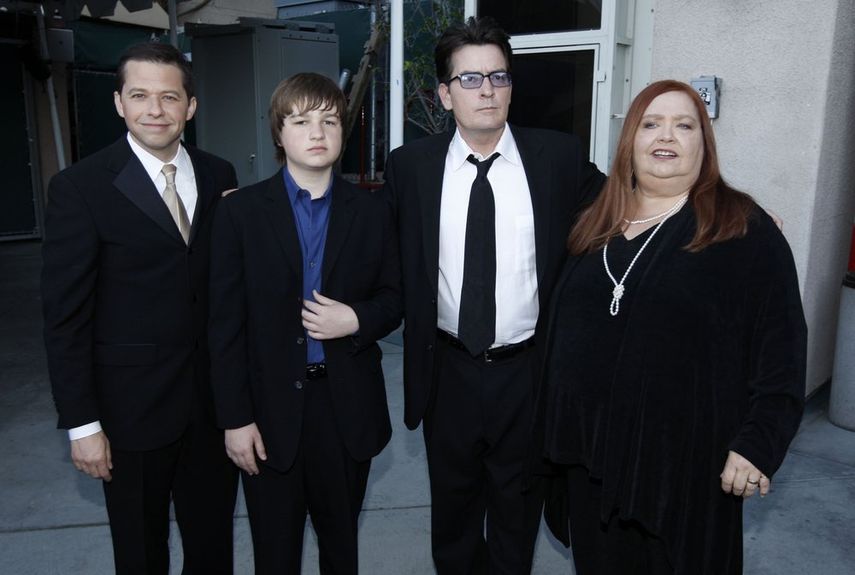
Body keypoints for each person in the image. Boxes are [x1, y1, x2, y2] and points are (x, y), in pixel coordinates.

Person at [539, 80, 806, 574]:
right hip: (590, 465)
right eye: (651, 123)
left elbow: (783, 351)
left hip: (684, 473)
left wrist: (758, 443)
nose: (667, 135)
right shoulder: (594, 224)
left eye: (685, 125)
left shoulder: (741, 227)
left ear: (704, 146)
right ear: (630, 142)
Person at [384, 16, 606, 574]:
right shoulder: (411, 167)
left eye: (499, 78)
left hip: (528, 371)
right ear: (443, 94)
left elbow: (629, 200)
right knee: (453, 513)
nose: (487, 91)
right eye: (471, 80)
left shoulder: (556, 157)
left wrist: (719, 206)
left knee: (517, 511)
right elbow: (367, 236)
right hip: (447, 370)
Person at [41, 42, 239, 574]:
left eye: (169, 96)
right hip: (129, 414)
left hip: (213, 409)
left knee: (213, 548)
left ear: (190, 106)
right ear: (119, 104)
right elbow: (65, 317)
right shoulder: (79, 189)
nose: (155, 109)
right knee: (139, 554)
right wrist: (83, 426)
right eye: (140, 96)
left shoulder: (221, 175)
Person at [208, 72, 401, 574]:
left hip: (344, 408)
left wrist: (356, 318)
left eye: (329, 120)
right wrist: (234, 417)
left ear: (343, 131)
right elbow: (223, 324)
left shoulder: (374, 212)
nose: (317, 132)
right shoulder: (240, 213)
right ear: (279, 133)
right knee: (275, 552)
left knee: (341, 548)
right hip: (266, 411)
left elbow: (396, 297)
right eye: (301, 121)